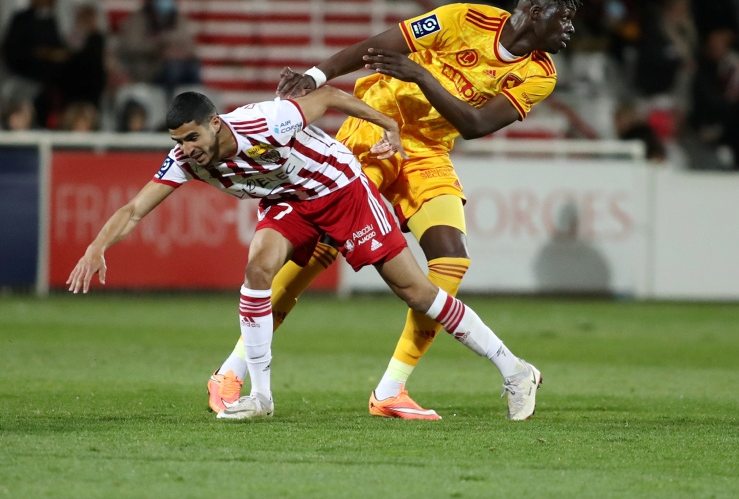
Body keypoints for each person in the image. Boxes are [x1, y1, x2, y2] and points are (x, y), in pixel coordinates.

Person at [207, 0, 578, 420]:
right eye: (564, 18)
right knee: (319, 249)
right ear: (535, 12)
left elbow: (475, 125)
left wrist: (420, 74)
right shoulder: (464, 19)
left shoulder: (540, 74)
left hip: (428, 150)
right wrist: (316, 75)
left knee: (451, 258)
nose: (570, 29)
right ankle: (231, 371)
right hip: (375, 129)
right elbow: (379, 46)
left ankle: (391, 389)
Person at [67, 89, 543, 421]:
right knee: (258, 267)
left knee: (417, 292)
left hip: (342, 190)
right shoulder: (185, 162)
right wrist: (96, 246)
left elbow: (330, 96)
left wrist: (388, 126)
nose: (186, 150)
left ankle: (515, 370)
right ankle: (260, 397)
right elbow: (134, 209)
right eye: (178, 142)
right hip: (289, 202)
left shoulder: (264, 121)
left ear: (215, 124)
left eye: (192, 138)